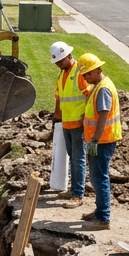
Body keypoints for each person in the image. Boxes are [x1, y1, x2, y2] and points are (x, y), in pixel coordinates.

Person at [77, 52, 122, 231]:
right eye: (84, 75)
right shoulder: (98, 85)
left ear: (97, 70)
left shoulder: (103, 89)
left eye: (88, 74)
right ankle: (99, 212)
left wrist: (94, 139)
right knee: (96, 178)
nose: (86, 77)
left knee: (100, 178)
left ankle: (103, 218)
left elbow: (103, 116)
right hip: (99, 140)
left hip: (102, 141)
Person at [50, 41, 89, 208]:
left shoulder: (79, 72)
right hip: (67, 122)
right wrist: (57, 114)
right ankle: (73, 189)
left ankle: (78, 194)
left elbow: (89, 96)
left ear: (68, 56)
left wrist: (86, 118)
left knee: (78, 159)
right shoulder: (63, 74)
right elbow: (59, 95)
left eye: (60, 60)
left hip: (79, 123)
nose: (58, 64)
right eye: (57, 62)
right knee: (73, 157)